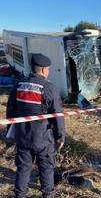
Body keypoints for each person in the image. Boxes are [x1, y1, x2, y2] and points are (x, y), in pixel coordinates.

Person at [6, 54, 66, 198]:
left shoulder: (18, 85)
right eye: (48, 69)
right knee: (46, 167)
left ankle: (19, 194)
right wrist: (60, 136)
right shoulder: (49, 88)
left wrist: (11, 131)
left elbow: (11, 110)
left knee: (23, 167)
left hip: (22, 135)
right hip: (43, 137)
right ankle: (47, 194)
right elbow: (57, 115)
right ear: (44, 69)